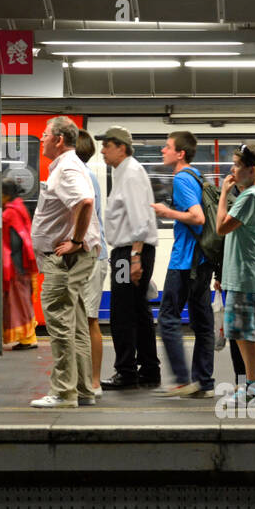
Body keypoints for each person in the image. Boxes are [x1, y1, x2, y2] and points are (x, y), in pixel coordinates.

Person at [29, 116, 102, 408]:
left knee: (59, 321)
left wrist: (74, 239)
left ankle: (63, 392)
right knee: (78, 323)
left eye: (45, 135)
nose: (42, 139)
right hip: (76, 256)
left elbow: (85, 202)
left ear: (59, 140)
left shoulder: (67, 167)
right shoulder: (70, 165)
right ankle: (83, 389)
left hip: (66, 259)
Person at [151, 131, 216, 398]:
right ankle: (204, 382)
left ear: (180, 153)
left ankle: (181, 379)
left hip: (185, 262)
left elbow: (197, 217)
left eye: (167, 147)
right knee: (202, 323)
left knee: (167, 317)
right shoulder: (197, 176)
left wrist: (167, 213)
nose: (162, 151)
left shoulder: (181, 178)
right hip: (202, 260)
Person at [99, 126, 160, 390]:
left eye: (107, 146)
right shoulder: (124, 171)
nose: (102, 151)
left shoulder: (131, 173)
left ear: (121, 147)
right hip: (132, 251)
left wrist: (135, 257)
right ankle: (148, 369)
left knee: (122, 312)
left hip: (130, 252)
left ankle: (126, 371)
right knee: (138, 310)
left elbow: (140, 218)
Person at [216, 142, 255, 405]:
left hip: (247, 274)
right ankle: (253, 384)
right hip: (245, 272)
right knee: (241, 331)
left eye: (237, 165)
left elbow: (221, 228)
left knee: (246, 332)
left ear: (251, 170)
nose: (232, 169)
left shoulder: (250, 197)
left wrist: (223, 194)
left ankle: (254, 387)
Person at [74, 130, 109, 395]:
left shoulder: (83, 176)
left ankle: (94, 381)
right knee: (83, 320)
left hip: (92, 256)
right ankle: (85, 378)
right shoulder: (84, 175)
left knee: (89, 320)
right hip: (89, 256)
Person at [1, 178, 38, 349]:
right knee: (23, 300)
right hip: (24, 263)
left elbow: (15, 242)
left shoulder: (10, 212)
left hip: (16, 265)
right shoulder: (19, 206)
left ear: (5, 195)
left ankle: (27, 338)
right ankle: (28, 336)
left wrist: (8, 262)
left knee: (19, 302)